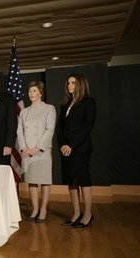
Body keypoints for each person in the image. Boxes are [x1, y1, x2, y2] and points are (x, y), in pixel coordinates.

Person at [57, 73, 97, 228]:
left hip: (80, 148)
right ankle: (76, 214)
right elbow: (59, 128)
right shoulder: (65, 104)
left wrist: (71, 145)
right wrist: (62, 145)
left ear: (80, 84)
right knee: (71, 182)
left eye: (72, 83)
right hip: (65, 149)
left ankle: (87, 214)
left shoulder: (89, 102)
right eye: (68, 83)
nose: (69, 86)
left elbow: (87, 127)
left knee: (83, 180)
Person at [17, 81, 56, 222]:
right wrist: (24, 148)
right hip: (27, 151)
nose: (31, 93)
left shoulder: (49, 109)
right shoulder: (24, 112)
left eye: (34, 91)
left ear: (40, 92)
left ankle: (43, 209)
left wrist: (37, 148)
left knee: (44, 180)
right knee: (31, 181)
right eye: (30, 91)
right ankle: (35, 208)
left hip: (42, 151)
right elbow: (19, 131)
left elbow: (50, 129)